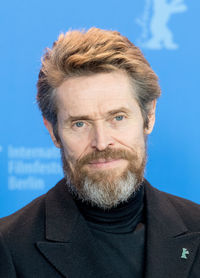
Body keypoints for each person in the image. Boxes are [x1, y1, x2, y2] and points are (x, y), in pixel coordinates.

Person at [0, 28, 199, 278]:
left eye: (117, 117)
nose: (102, 143)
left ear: (149, 117)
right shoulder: (8, 245)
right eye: (79, 124)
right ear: (53, 132)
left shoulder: (196, 225)